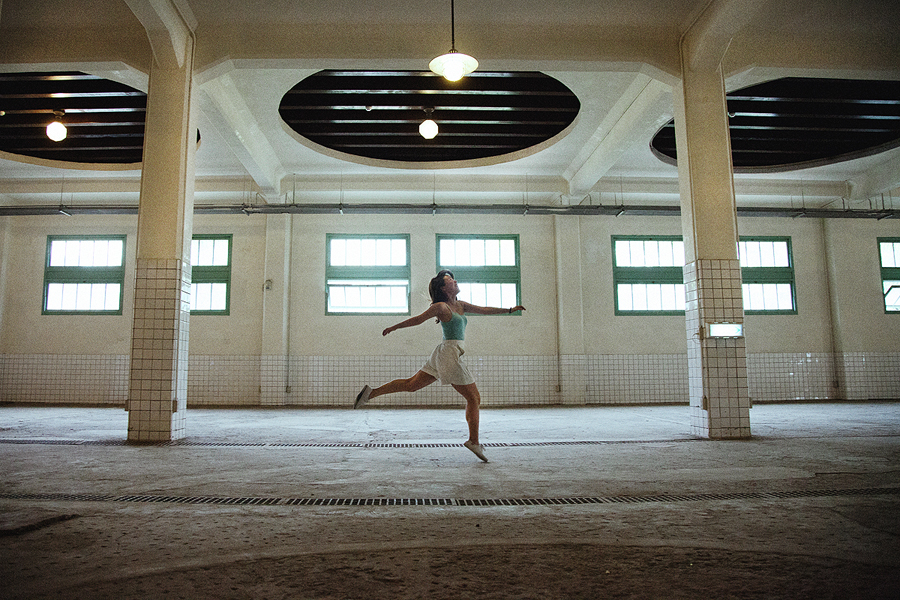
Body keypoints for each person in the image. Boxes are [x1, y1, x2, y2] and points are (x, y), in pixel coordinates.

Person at [354, 270, 525, 462]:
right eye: (450, 280)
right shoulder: (441, 307)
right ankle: (473, 441)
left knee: (412, 385)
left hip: (445, 352)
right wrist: (394, 327)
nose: (455, 281)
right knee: (474, 398)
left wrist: (509, 310)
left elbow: (484, 309)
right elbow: (418, 319)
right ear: (443, 288)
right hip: (449, 354)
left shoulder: (460, 305)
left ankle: (370, 394)